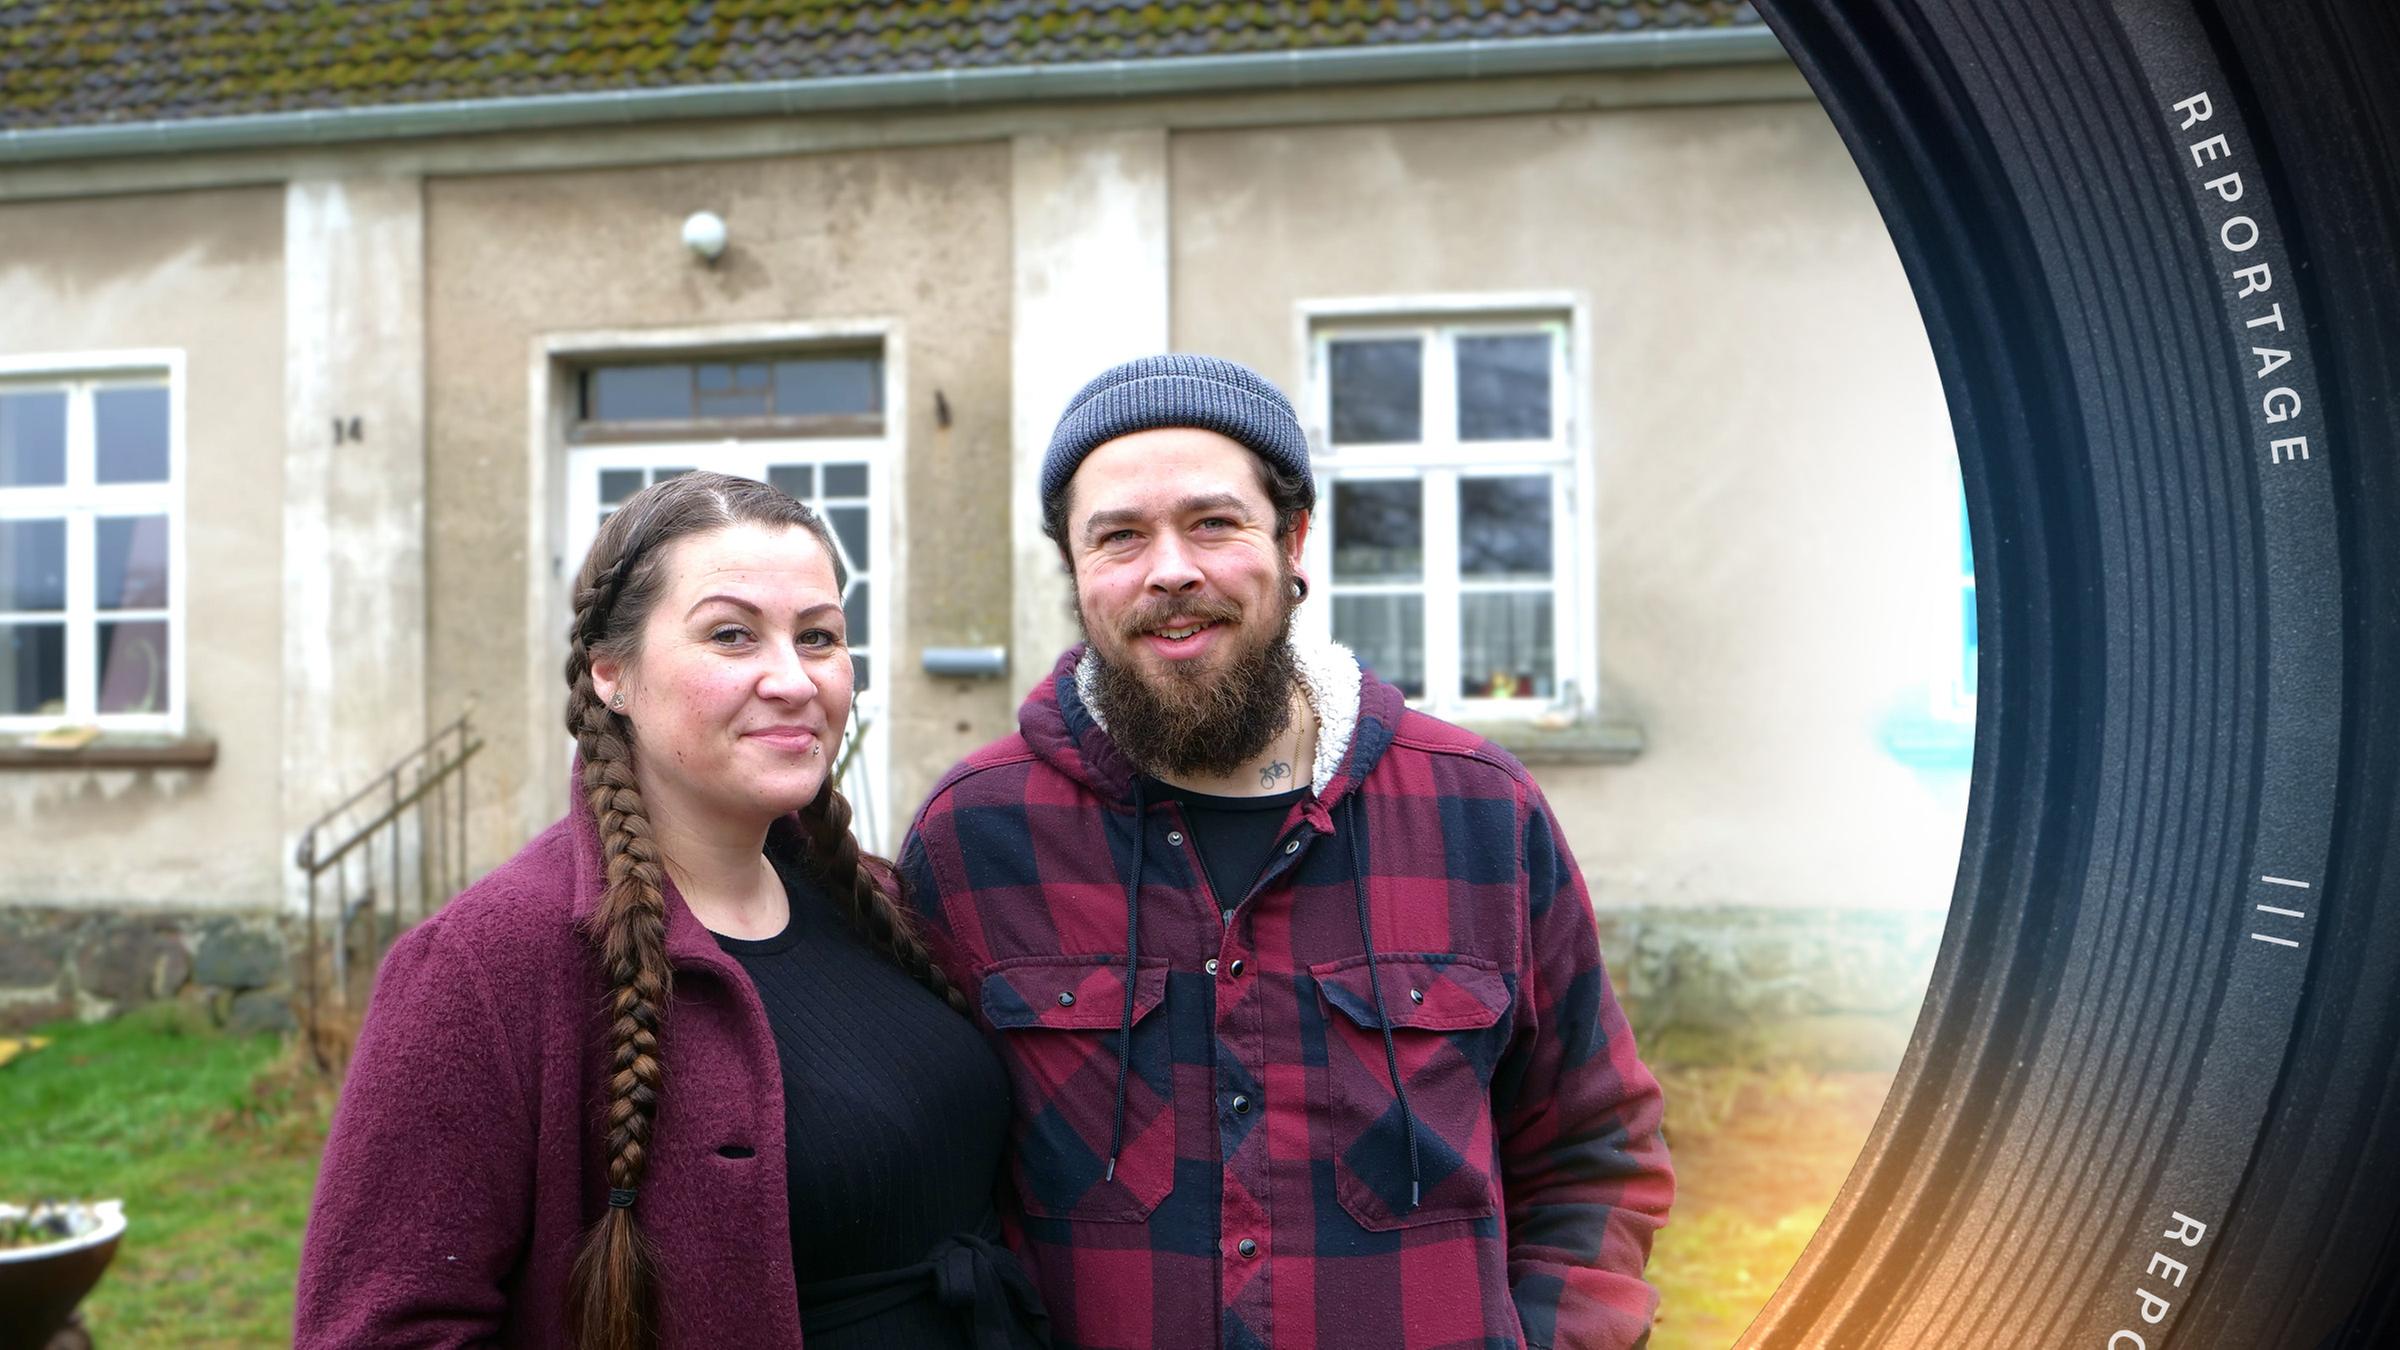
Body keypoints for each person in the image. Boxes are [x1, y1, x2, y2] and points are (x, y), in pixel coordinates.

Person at [899, 355, 1674, 1350]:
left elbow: (1591, 1145)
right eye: (1120, 536)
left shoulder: (1479, 810)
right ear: (1078, 574)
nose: (1170, 569)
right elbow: (921, 1184)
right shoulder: (975, 838)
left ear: (1294, 540)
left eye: (1213, 523)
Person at [297, 472, 1048, 1350]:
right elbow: (381, 1328)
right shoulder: (487, 966)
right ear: (613, 674)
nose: (792, 679)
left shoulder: (875, 907)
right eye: (732, 636)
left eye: (819, 638)